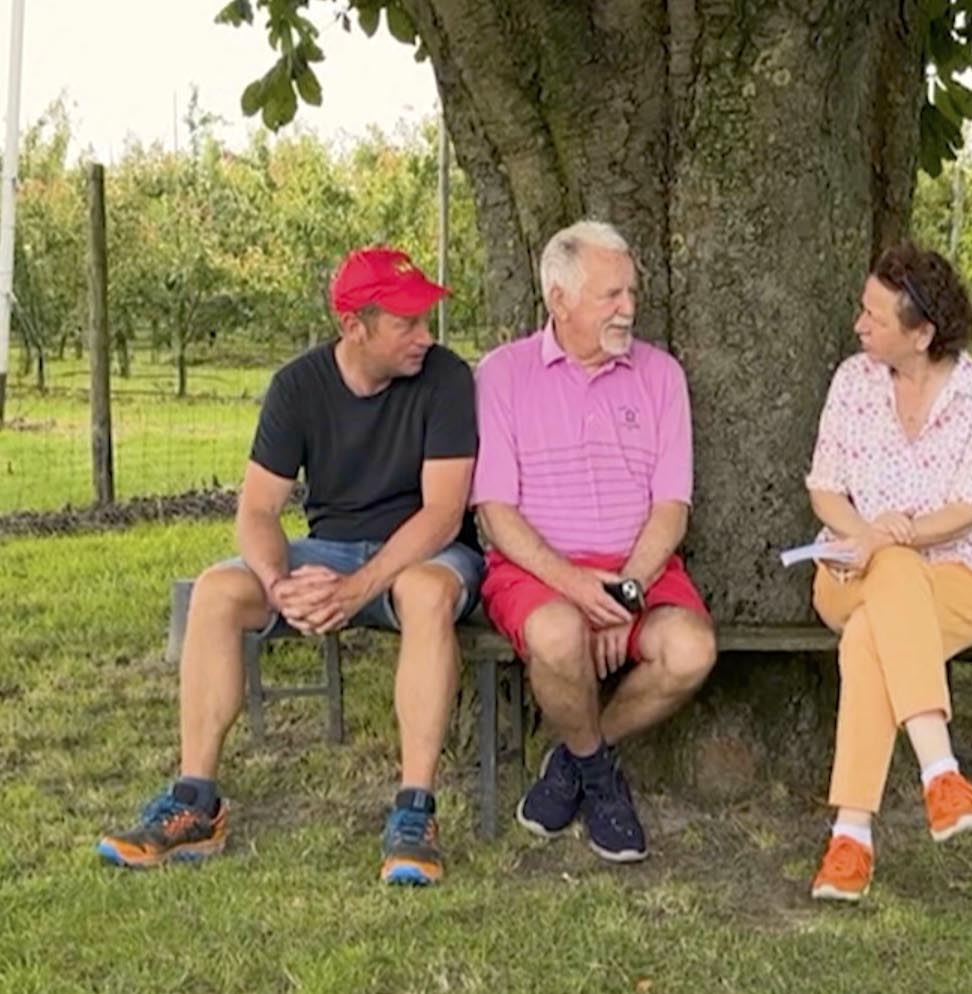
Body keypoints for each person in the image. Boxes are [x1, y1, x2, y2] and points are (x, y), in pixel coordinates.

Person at [97, 247, 483, 886]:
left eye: (426, 320)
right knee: (218, 591)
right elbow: (256, 511)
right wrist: (280, 584)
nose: (426, 336)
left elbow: (444, 515)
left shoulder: (446, 378)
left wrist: (357, 587)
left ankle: (414, 813)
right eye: (406, 323)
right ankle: (195, 803)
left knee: (424, 592)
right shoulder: (298, 386)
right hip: (326, 552)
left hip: (424, 552)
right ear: (354, 327)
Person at [471, 220, 716, 863]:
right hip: (536, 571)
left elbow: (671, 510)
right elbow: (496, 512)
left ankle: (576, 759)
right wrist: (579, 589)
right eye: (611, 295)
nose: (628, 309)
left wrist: (624, 593)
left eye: (630, 293)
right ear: (560, 299)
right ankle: (602, 780)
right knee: (557, 635)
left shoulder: (661, 376)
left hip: (639, 565)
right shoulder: (501, 376)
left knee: (690, 651)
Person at [803, 241, 972, 902]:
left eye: (873, 316)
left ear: (920, 334)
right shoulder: (851, 380)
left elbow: (967, 506)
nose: (858, 324)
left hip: (961, 579)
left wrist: (896, 534)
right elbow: (825, 488)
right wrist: (867, 537)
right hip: (850, 570)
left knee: (870, 638)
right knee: (887, 576)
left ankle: (851, 837)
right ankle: (938, 769)